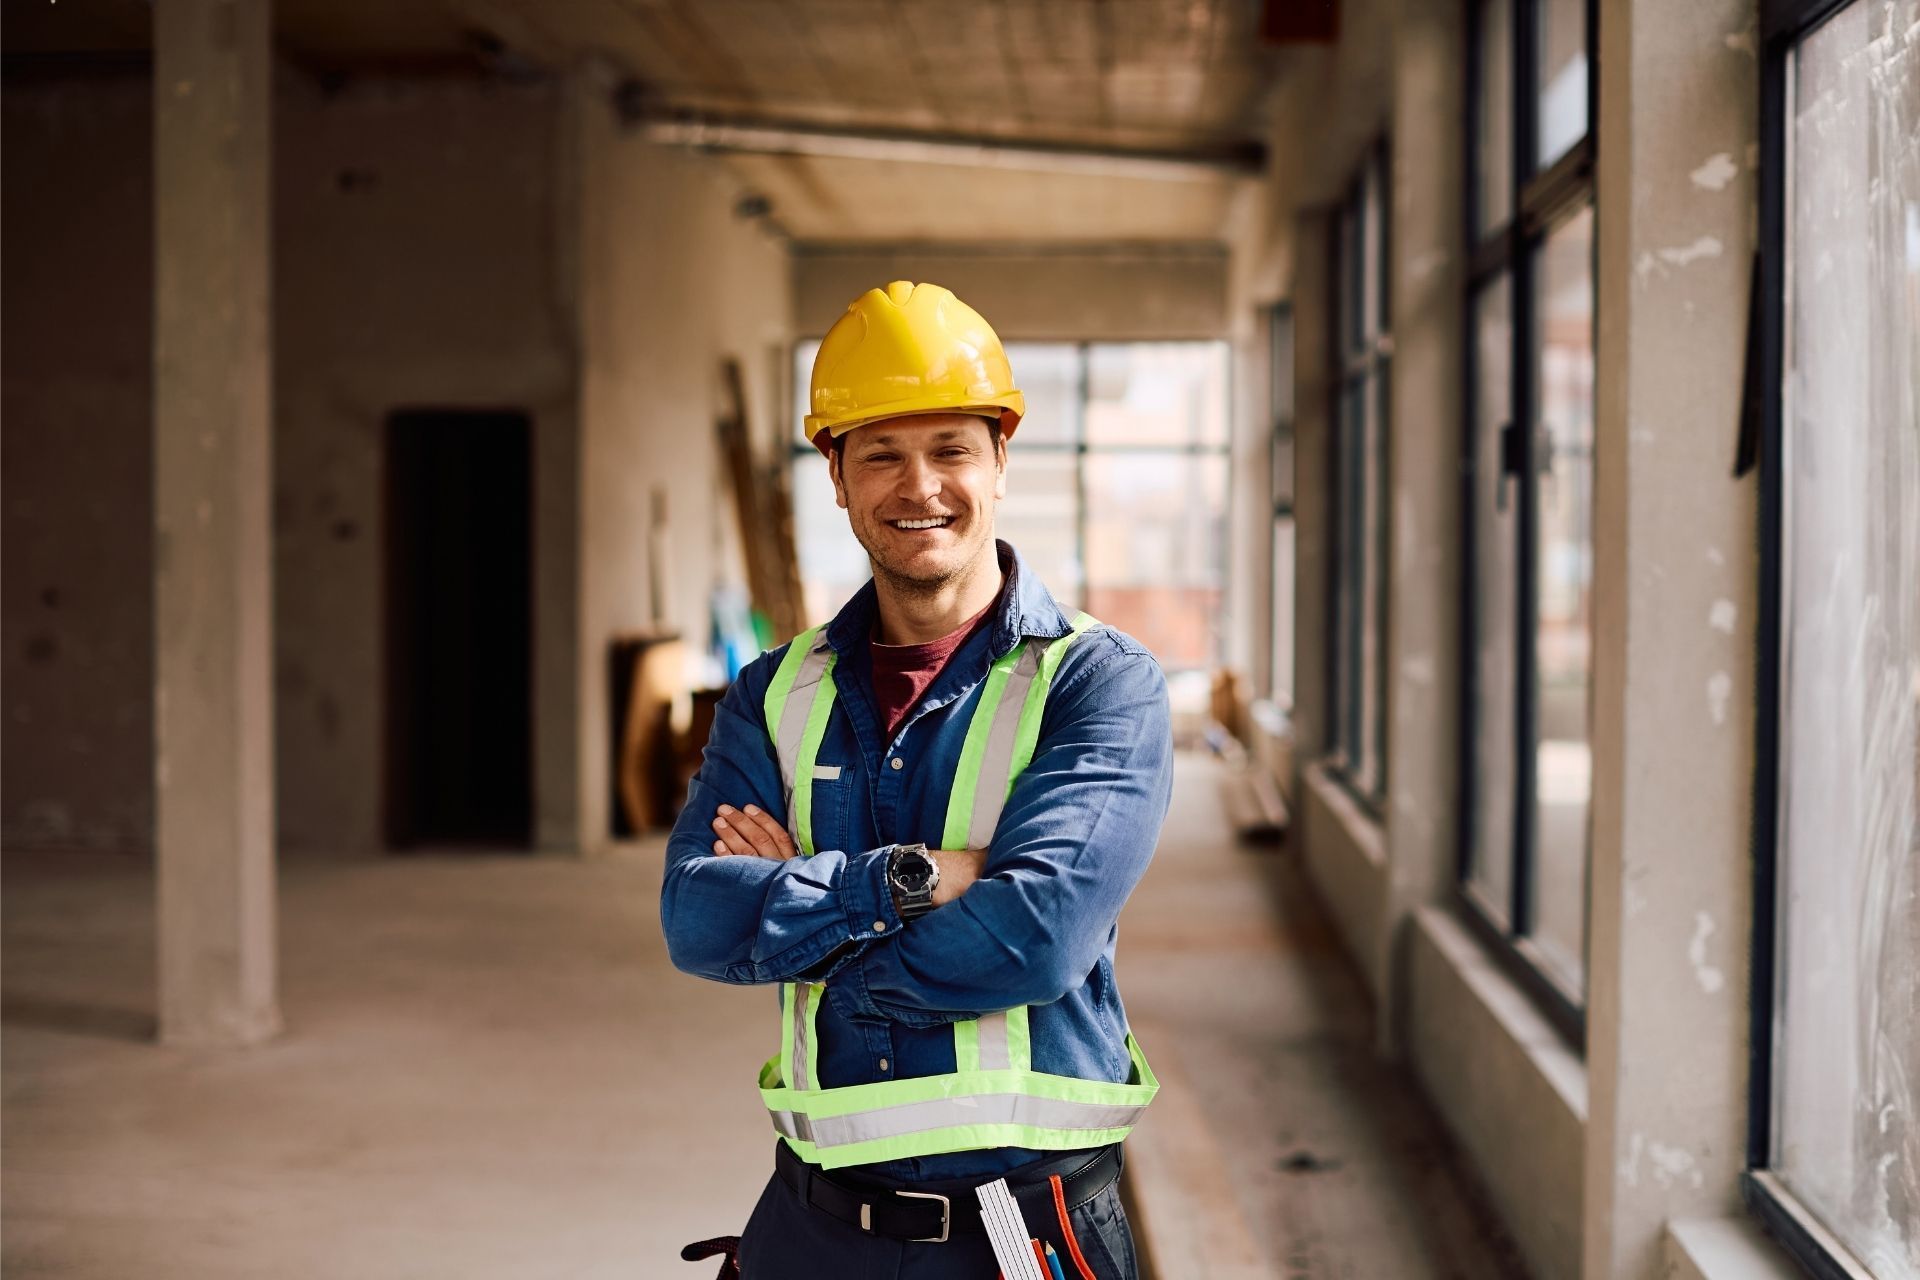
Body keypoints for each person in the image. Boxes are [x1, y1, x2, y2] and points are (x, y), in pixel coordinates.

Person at [662, 280, 1174, 1279]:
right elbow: (698, 919)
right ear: (837, 475)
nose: (920, 485)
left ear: (999, 461)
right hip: (809, 1227)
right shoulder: (772, 695)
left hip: (1021, 1234)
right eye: (883, 453)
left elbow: (1034, 935)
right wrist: (912, 877)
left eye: (950, 448)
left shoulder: (1098, 682)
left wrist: (810, 942)